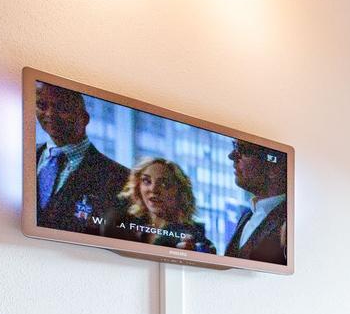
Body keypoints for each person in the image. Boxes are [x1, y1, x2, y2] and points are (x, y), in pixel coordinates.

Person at [33, 83, 129, 236]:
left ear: (85, 118)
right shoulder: (19, 157)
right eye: (41, 105)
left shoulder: (121, 177)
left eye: (62, 108)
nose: (50, 114)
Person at [108, 157, 216, 253]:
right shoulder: (125, 224)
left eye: (164, 184)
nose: (153, 189)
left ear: (179, 192)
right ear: (138, 186)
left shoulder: (194, 238)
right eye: (146, 181)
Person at [223, 139, 288, 264]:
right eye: (234, 146)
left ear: (274, 168)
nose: (232, 156)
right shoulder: (246, 216)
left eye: (244, 150)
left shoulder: (290, 222)